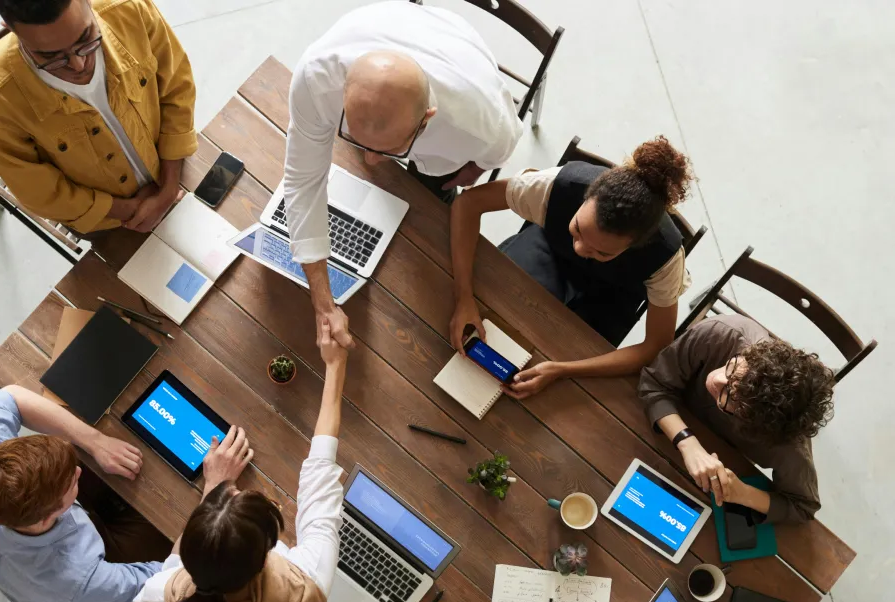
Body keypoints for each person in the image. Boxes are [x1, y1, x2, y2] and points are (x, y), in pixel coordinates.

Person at [133, 323, 348, 602]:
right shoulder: (305, 584)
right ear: (267, 554)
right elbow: (321, 483)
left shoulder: (163, 596)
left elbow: (171, 570)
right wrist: (336, 366)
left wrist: (212, 489)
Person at [285, 0, 523, 351]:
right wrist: (323, 300)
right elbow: (303, 181)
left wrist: (468, 173)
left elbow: (490, 158)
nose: (369, 161)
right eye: (354, 138)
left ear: (427, 119)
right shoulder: (315, 78)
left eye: (386, 150)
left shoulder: (482, 126)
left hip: (455, 61)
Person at [449, 136, 695, 399]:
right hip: (549, 250)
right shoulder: (556, 186)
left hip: (615, 293)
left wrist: (561, 370)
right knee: (497, 308)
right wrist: (463, 297)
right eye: (578, 229)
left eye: (601, 251)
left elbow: (656, 345)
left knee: (569, 361)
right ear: (586, 197)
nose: (580, 249)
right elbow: (467, 203)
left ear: (636, 245)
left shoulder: (665, 258)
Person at [0, 0, 197, 235]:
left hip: (174, 167)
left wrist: (168, 189)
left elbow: (177, 87)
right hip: (110, 222)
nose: (79, 65)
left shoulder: (129, 8)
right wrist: (131, 210)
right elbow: (39, 193)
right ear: (10, 29)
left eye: (86, 38)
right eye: (51, 57)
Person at [0, 385, 169, 602]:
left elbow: (9, 395)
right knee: (174, 533)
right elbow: (165, 582)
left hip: (22, 560)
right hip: (71, 590)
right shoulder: (76, 578)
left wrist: (96, 442)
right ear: (47, 518)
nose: (78, 471)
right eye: (72, 481)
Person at [638, 315, 835, 523]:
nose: (717, 379)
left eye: (730, 397)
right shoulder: (721, 334)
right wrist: (688, 444)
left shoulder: (788, 444)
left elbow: (803, 507)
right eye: (733, 369)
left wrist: (742, 493)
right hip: (659, 429)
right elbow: (654, 382)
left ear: (754, 423)